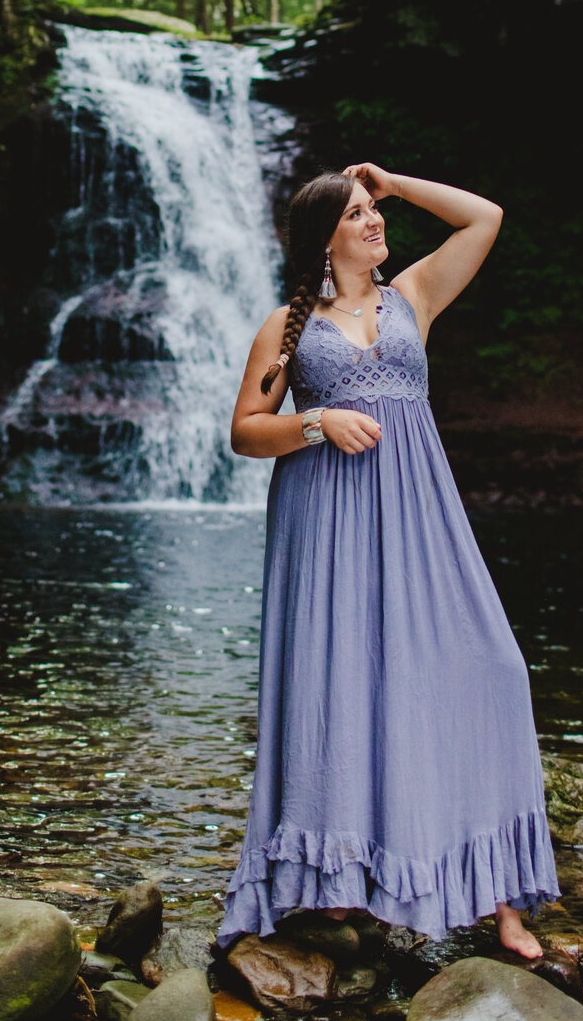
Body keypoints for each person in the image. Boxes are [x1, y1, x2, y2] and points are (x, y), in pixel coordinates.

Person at [215, 161, 559, 957]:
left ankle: (503, 897)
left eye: (377, 212)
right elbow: (244, 431)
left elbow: (485, 216)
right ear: (322, 238)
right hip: (328, 521)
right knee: (342, 682)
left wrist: (396, 182)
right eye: (359, 214)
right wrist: (317, 422)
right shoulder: (286, 327)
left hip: (421, 517)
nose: (375, 223)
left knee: (494, 672)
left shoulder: (413, 298)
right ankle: (332, 876)